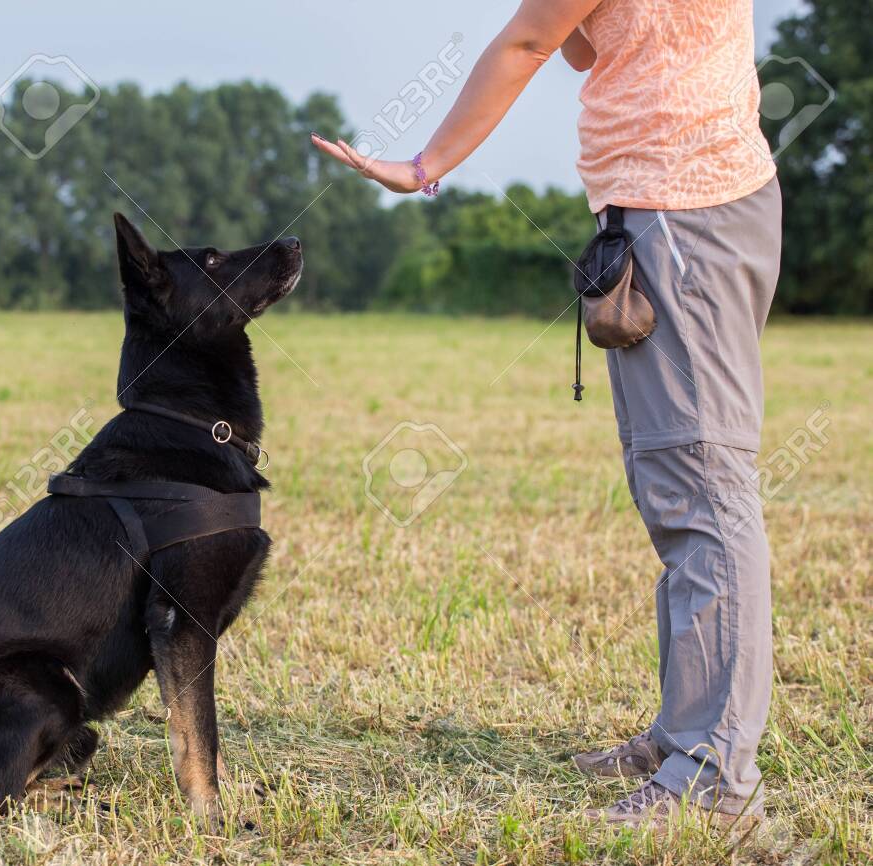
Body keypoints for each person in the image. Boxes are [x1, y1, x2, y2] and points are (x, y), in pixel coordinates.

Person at [314, 0, 780, 832]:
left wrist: (426, 167)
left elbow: (529, 42)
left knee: (703, 493)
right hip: (679, 209)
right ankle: (685, 735)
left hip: (682, 216)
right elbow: (577, 46)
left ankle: (712, 773)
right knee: (678, 488)